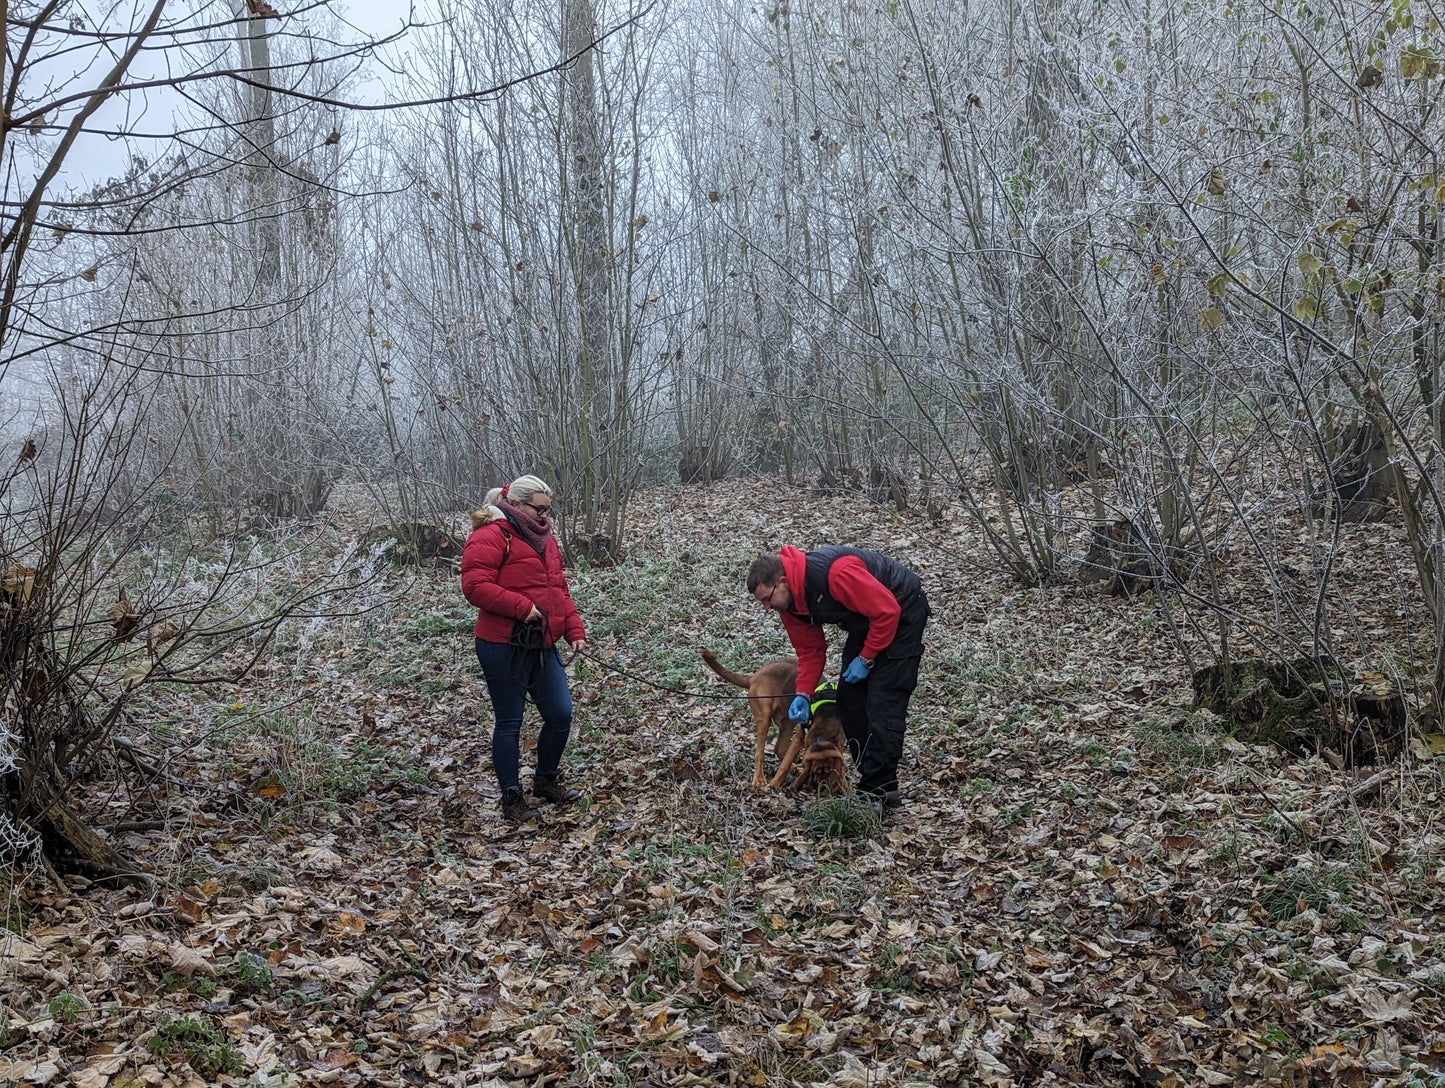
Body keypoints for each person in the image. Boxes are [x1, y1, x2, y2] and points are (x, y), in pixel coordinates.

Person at [747, 546, 930, 814]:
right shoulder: (788, 606)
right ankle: (876, 781)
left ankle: (876, 793)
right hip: (866, 620)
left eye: (767, 599)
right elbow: (810, 651)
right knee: (849, 700)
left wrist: (867, 658)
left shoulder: (835, 574)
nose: (766, 608)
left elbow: (887, 611)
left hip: (901, 608)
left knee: (882, 701)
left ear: (782, 583)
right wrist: (804, 693)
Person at [461, 474, 586, 824]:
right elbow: (473, 586)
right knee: (510, 722)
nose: (546, 516)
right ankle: (511, 797)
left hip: (543, 643)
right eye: (539, 509)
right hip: (502, 645)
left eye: (549, 509)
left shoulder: (546, 539)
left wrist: (573, 628)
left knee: (560, 715)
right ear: (515, 505)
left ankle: (545, 779)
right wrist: (521, 607)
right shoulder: (489, 535)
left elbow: (558, 588)